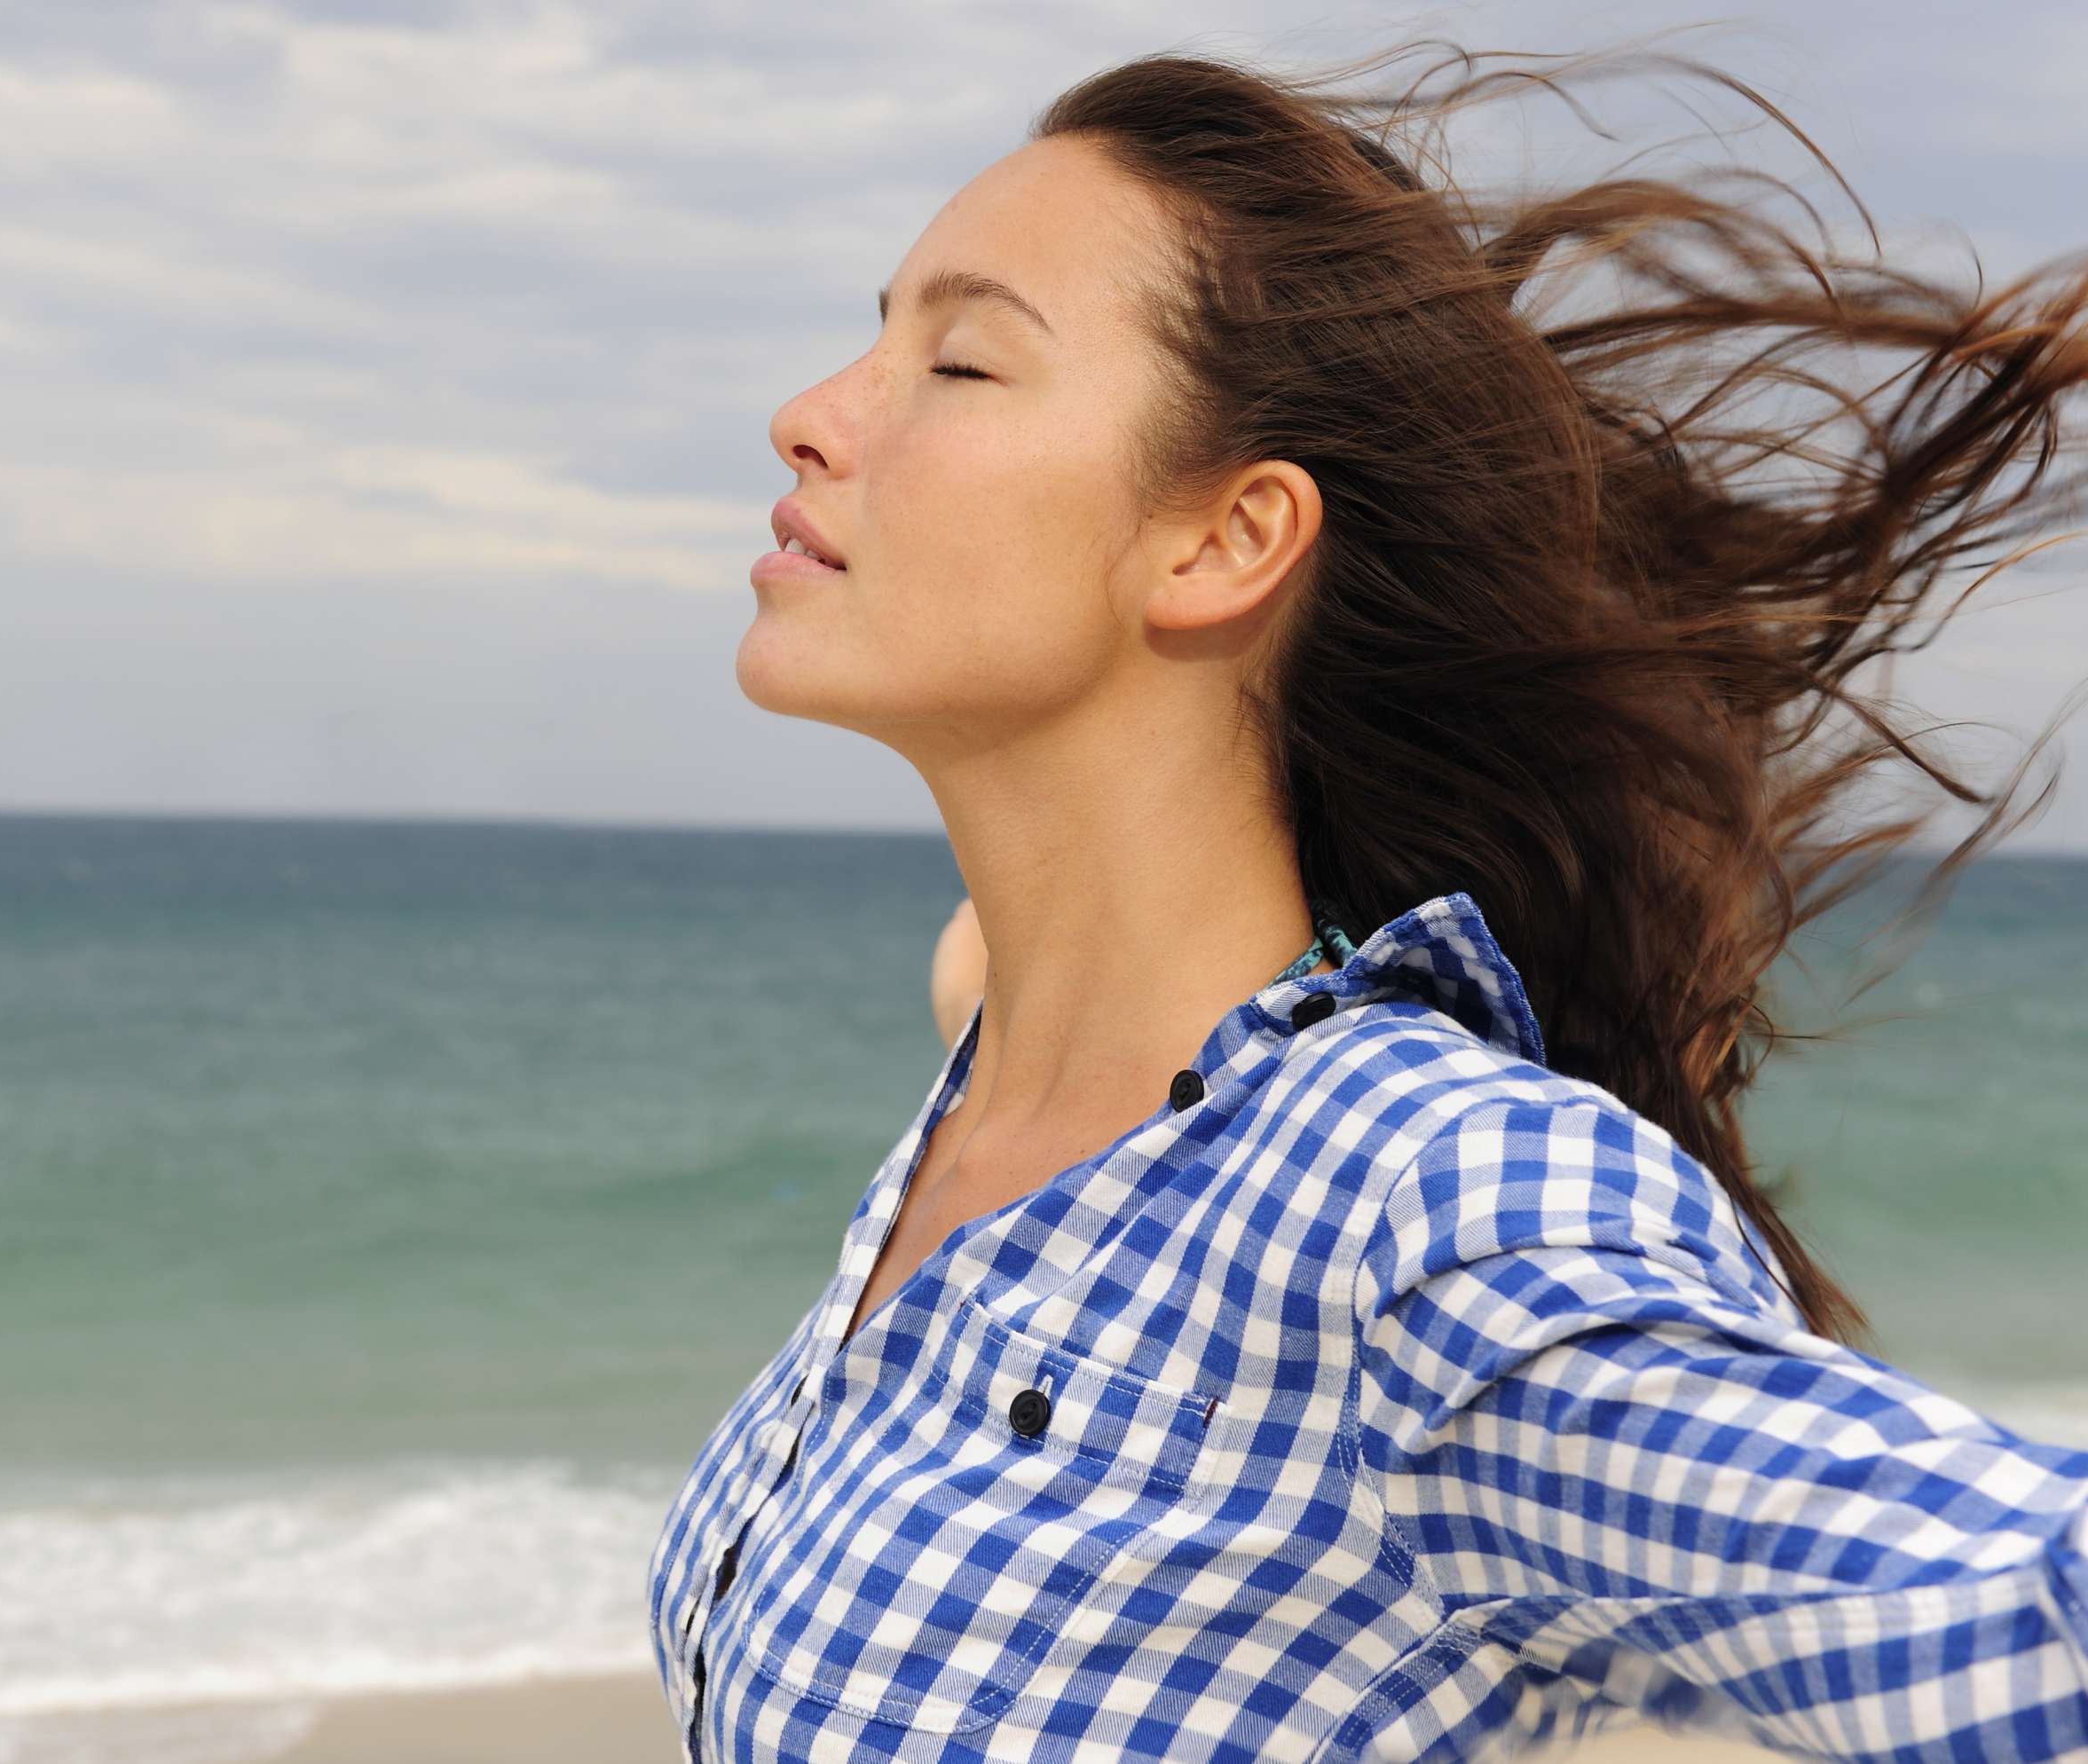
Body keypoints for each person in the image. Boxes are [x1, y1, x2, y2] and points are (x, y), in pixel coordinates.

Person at [646, 35, 2088, 1764]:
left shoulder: (1420, 1197)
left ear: (1224, 540)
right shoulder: (1018, 1045)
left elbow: (2025, 1618)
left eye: (957, 362)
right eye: (878, 333)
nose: (813, 412)